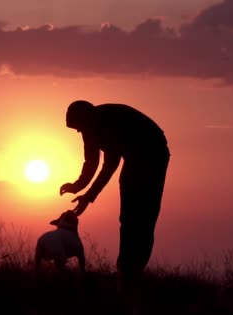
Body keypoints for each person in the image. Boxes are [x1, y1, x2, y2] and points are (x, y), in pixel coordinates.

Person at [60, 100, 170, 279]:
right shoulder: (89, 127)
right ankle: (126, 269)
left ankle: (131, 270)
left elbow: (110, 164)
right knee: (128, 216)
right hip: (135, 158)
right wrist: (77, 186)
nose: (79, 132)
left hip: (153, 154)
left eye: (78, 127)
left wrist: (89, 195)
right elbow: (92, 162)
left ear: (85, 118)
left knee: (144, 215)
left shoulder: (105, 121)